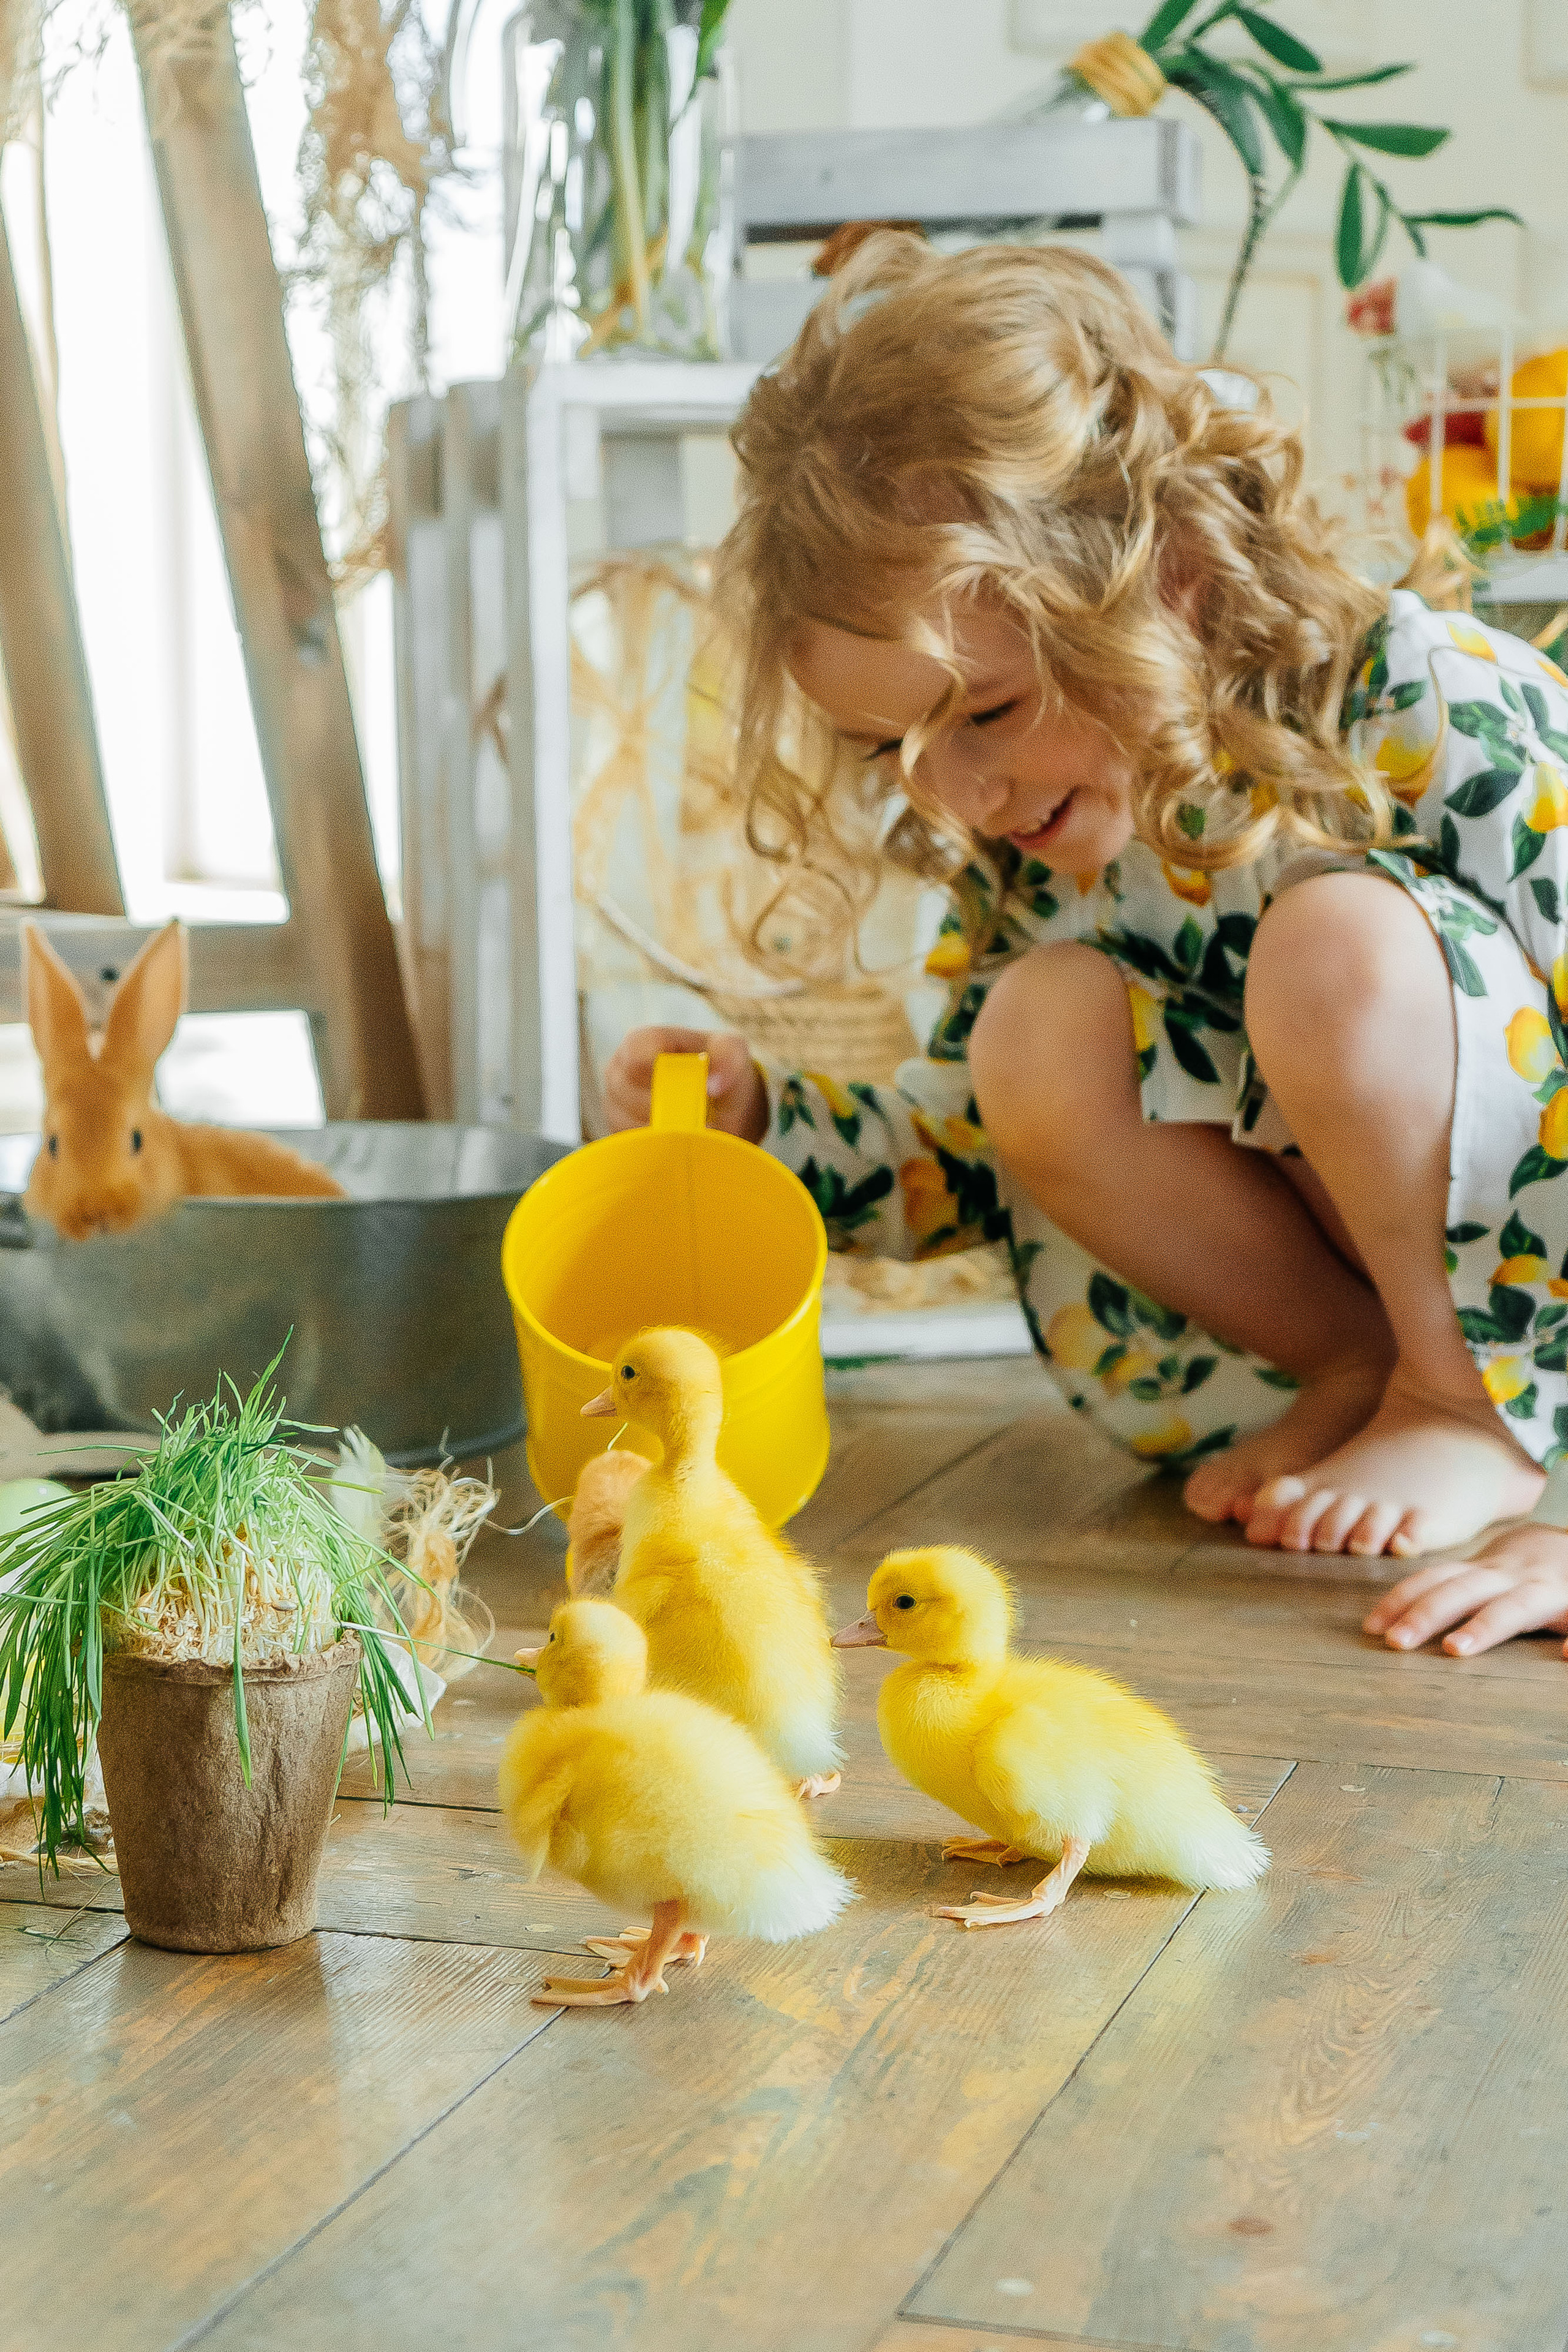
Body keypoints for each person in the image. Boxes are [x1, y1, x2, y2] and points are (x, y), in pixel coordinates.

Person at [602, 235, 1568, 1665]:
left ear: (1166, 576)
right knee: (1029, 1029)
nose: (953, 793)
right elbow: (970, 1147)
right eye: (891, 749)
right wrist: (761, 1125)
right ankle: (1368, 1373)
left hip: (1535, 1326)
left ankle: (1475, 1410)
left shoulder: (1421, 704)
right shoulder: (1041, 846)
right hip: (1270, 1349)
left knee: (1335, 952)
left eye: (981, 713)